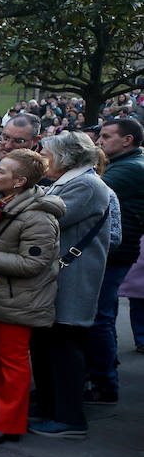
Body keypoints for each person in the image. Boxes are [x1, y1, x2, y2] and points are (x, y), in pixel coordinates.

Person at [0, 149, 62, 444]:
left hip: (18, 300)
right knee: (0, 361)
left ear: (19, 181)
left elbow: (33, 263)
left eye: (2, 171)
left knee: (12, 364)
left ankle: (8, 423)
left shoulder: (38, 217)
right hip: (0, 295)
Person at [28, 133, 112, 439]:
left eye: (46, 153)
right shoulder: (71, 180)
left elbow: (47, 218)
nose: (42, 158)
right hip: (59, 276)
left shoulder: (87, 185)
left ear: (66, 157)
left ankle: (69, 416)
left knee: (65, 344)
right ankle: (50, 406)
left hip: (73, 278)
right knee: (47, 343)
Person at [86, 117, 144, 400]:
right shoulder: (126, 164)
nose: (100, 142)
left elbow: (89, 191)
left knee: (100, 317)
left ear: (127, 140)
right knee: (101, 316)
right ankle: (104, 371)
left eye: (107, 137)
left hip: (114, 254)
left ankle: (105, 383)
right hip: (113, 252)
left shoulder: (129, 169)